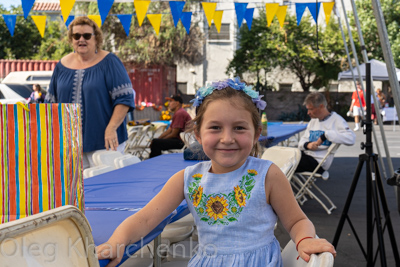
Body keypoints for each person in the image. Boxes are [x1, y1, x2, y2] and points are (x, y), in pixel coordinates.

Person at [96, 78, 336, 267]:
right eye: (215, 128)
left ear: (255, 132)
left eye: (239, 128)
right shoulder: (187, 179)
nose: (227, 138)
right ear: (198, 134)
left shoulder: (268, 175)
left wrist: (305, 239)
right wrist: (117, 242)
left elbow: (296, 221)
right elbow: (145, 218)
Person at [44, 17, 135, 169]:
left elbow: (124, 99)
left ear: (96, 38)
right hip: (69, 145)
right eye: (76, 36)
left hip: (105, 142)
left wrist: (111, 128)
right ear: (71, 39)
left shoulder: (110, 62)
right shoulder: (61, 65)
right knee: (74, 190)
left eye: (87, 35)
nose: (81, 39)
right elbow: (51, 103)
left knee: (105, 188)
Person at [297, 92, 355, 176]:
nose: (308, 113)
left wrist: (325, 135)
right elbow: (301, 142)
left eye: (311, 109)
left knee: (285, 163)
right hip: (306, 157)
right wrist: (308, 145)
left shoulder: (337, 120)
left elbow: (351, 138)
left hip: (318, 163)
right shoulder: (313, 121)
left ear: (321, 106)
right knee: (283, 157)